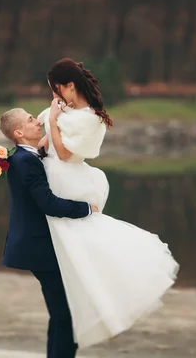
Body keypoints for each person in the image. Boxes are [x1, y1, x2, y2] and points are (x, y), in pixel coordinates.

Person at [37, 58, 179, 349]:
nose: (53, 97)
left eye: (55, 90)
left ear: (69, 86)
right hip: (51, 177)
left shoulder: (91, 119)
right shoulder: (60, 109)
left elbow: (65, 155)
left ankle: (93, 307)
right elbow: (43, 144)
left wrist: (52, 120)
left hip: (68, 180)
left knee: (81, 253)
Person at [0, 107, 98, 358]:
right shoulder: (24, 161)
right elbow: (48, 203)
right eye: (31, 120)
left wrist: (55, 117)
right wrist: (86, 208)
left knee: (62, 312)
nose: (37, 121)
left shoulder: (25, 156)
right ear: (19, 132)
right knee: (66, 313)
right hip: (39, 248)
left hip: (40, 245)